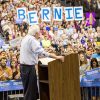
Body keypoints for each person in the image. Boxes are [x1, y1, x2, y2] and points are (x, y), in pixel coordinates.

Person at [20, 25, 64, 100]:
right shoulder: (32, 40)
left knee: (28, 90)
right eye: (39, 33)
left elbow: (33, 51)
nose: (40, 34)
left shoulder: (26, 38)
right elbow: (41, 52)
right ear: (36, 33)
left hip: (23, 67)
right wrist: (56, 57)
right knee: (31, 91)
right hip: (29, 68)